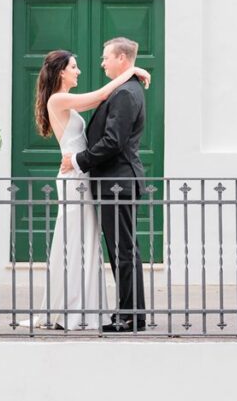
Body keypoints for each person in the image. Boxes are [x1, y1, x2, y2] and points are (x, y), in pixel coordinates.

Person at [31, 48, 150, 330]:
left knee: (90, 242)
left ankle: (87, 308)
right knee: (75, 240)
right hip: (75, 177)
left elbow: (104, 105)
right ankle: (72, 308)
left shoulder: (69, 102)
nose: (79, 71)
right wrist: (131, 72)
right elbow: (100, 96)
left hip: (84, 173)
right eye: (74, 66)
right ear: (61, 72)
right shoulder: (59, 99)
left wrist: (129, 72)